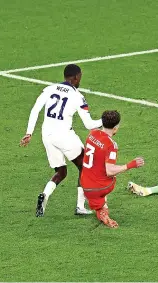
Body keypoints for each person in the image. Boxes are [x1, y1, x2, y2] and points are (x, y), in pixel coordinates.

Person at [20, 64, 102, 217]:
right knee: (85, 167)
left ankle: (45, 195)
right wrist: (104, 120)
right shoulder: (77, 96)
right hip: (64, 136)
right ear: (76, 77)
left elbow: (35, 109)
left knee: (61, 171)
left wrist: (29, 132)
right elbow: (89, 124)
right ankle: (80, 206)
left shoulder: (49, 89)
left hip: (47, 136)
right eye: (80, 77)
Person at [80, 110, 145, 228]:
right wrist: (130, 165)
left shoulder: (92, 134)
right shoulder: (111, 145)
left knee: (97, 169)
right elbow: (109, 171)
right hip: (101, 188)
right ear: (116, 128)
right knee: (112, 176)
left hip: (85, 184)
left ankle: (101, 209)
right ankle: (103, 207)